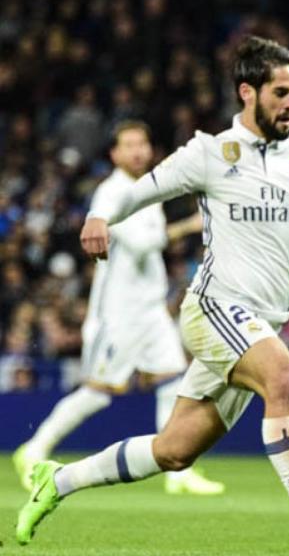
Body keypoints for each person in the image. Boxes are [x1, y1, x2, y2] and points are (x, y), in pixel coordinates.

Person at [16, 36, 289, 552]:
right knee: (282, 377)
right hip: (214, 308)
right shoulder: (211, 153)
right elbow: (144, 186)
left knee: (174, 452)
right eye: (280, 92)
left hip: (262, 321)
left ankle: (57, 481)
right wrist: (100, 216)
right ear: (247, 91)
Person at [12, 121, 225, 497]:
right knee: (97, 392)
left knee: (174, 382)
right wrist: (188, 226)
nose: (138, 151)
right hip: (118, 315)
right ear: (114, 153)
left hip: (151, 310)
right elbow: (143, 244)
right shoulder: (110, 195)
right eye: (129, 145)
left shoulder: (147, 189)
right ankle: (34, 449)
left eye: (143, 143)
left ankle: (176, 472)